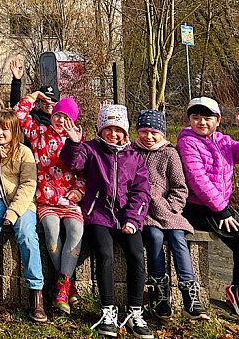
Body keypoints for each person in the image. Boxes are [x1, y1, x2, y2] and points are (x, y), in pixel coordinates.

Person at [60, 104, 153, 339]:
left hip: (126, 216)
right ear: (100, 129)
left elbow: (141, 192)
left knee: (135, 255)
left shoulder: (134, 157)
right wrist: (73, 143)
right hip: (98, 214)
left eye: (118, 129)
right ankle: (108, 310)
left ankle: (135, 311)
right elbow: (72, 163)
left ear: (125, 131)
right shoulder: (91, 149)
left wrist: (133, 219)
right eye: (108, 128)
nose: (113, 133)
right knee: (105, 255)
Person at [177, 97, 239, 327]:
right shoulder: (188, 142)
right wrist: (222, 210)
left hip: (218, 206)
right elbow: (198, 180)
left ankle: (238, 292)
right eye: (196, 117)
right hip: (198, 207)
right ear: (189, 119)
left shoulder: (222, 140)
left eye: (207, 118)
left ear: (217, 120)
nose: (202, 122)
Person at [133, 109, 208, 321]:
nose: (148, 137)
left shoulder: (169, 154)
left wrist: (173, 207)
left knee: (178, 238)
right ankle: (160, 293)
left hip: (168, 211)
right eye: (144, 131)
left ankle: (189, 294)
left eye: (154, 132)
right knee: (155, 238)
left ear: (162, 133)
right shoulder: (131, 151)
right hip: (144, 212)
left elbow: (180, 188)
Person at [15, 92, 85, 314]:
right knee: (52, 235)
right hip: (46, 199)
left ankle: (62, 288)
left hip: (70, 201)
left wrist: (79, 191)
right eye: (58, 115)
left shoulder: (76, 140)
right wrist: (33, 96)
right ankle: (67, 287)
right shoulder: (39, 134)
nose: (61, 121)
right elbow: (19, 114)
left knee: (75, 233)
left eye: (67, 117)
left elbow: (84, 173)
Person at [0, 109, 46, 322]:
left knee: (27, 235)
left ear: (14, 130)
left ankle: (36, 293)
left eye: (5, 129)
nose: (0, 133)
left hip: (21, 203)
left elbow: (28, 184)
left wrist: (13, 211)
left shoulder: (24, 152)